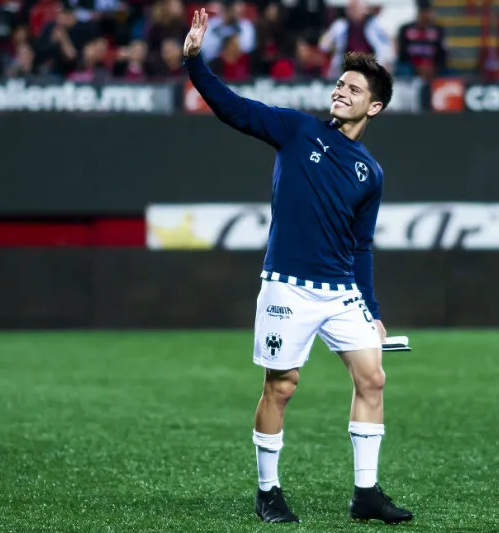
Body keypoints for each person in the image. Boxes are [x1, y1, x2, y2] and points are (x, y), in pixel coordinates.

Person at [182, 8, 413, 526]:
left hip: (341, 294)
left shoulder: (369, 172)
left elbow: (361, 246)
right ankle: (268, 491)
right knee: (281, 386)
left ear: (374, 107)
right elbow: (233, 108)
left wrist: (371, 308)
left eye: (353, 89)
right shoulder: (296, 129)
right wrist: (196, 63)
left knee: (372, 379)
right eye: (339, 83)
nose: (340, 91)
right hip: (288, 286)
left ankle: (366, 494)